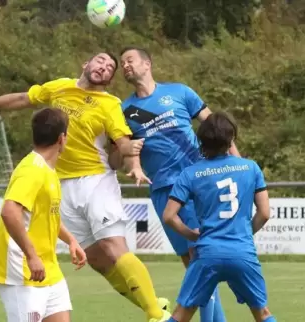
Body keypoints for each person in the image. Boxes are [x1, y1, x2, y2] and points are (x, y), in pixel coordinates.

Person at [0, 52, 171, 322]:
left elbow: (122, 140)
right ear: (86, 64)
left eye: (110, 68)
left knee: (113, 247)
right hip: (61, 185)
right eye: (100, 61)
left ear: (109, 80)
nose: (104, 67)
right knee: (98, 261)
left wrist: (132, 157)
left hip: (96, 180)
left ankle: (157, 316)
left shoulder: (109, 103)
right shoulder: (58, 87)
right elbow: (22, 98)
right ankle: (151, 304)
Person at [118, 46, 241, 322]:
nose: (125, 65)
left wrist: (239, 166)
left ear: (147, 63)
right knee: (194, 266)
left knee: (202, 261)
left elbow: (218, 128)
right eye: (122, 63)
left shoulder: (179, 92)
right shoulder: (124, 110)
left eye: (130, 60)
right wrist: (132, 162)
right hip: (163, 190)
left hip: (197, 181)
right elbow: (125, 156)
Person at [158, 112, 276, 322]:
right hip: (242, 252)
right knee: (262, 313)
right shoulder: (250, 168)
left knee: (181, 315)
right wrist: (245, 233)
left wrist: (192, 235)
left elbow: (169, 216)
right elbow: (265, 213)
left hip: (207, 253)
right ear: (231, 138)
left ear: (201, 140)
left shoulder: (191, 173)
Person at [0, 107, 87, 322]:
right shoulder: (31, 170)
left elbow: (46, 216)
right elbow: (9, 212)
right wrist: (32, 256)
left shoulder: (48, 170)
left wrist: (70, 240)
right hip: (22, 271)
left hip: (49, 268)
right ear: (62, 138)